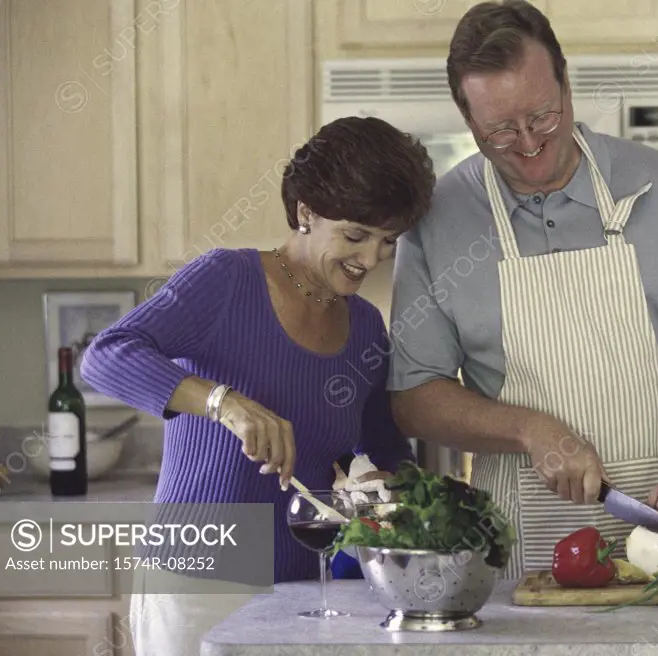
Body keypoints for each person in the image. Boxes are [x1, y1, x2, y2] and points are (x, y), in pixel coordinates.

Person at [386, 0, 658, 579]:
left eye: (544, 117)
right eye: (500, 130)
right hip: (525, 555)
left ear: (567, 83)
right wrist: (529, 427)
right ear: (468, 121)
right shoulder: (437, 222)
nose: (527, 144)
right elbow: (414, 396)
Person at [80, 116, 435, 654]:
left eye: (387, 242)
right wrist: (224, 403)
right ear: (305, 213)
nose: (370, 259)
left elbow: (382, 448)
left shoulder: (365, 326)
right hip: (196, 582)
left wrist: (394, 492)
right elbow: (106, 356)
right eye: (356, 236)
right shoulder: (226, 280)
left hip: (301, 590)